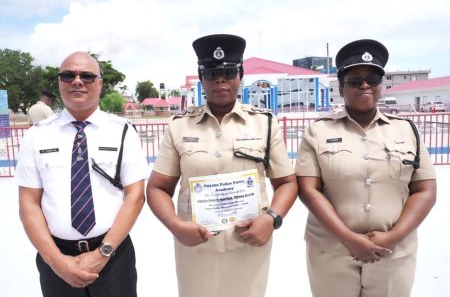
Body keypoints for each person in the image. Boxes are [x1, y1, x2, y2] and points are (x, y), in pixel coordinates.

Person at [146, 34, 297, 297]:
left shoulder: (264, 123)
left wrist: (272, 219)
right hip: (196, 248)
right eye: (212, 72)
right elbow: (158, 187)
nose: (220, 79)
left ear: (240, 75)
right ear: (201, 77)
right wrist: (175, 226)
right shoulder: (180, 126)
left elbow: (286, 182)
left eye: (228, 72)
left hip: (249, 244)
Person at [295, 39, 437, 297]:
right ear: (340, 88)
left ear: (380, 87)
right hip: (332, 250)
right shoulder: (318, 131)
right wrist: (349, 238)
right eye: (354, 80)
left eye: (372, 79)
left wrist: (392, 237)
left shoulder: (407, 130)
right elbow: (308, 190)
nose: (364, 85)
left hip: (392, 252)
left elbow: (425, 190)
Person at [16, 52, 148, 297]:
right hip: (55, 257)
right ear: (59, 83)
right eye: (68, 75)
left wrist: (103, 253)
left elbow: (136, 196)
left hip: (113, 255)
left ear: (100, 83)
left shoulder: (123, 131)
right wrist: (56, 261)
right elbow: (28, 203)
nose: (77, 81)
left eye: (87, 76)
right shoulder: (37, 135)